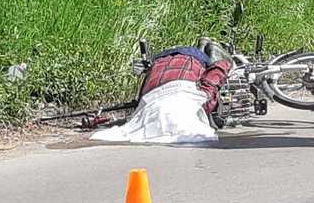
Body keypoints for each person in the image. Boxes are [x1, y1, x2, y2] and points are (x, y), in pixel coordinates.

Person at [92, 41, 233, 145]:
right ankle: (205, 46)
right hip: (159, 68)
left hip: (183, 63)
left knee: (211, 69)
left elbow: (212, 80)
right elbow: (142, 95)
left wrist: (224, 65)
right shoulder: (141, 118)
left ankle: (205, 46)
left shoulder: (197, 101)